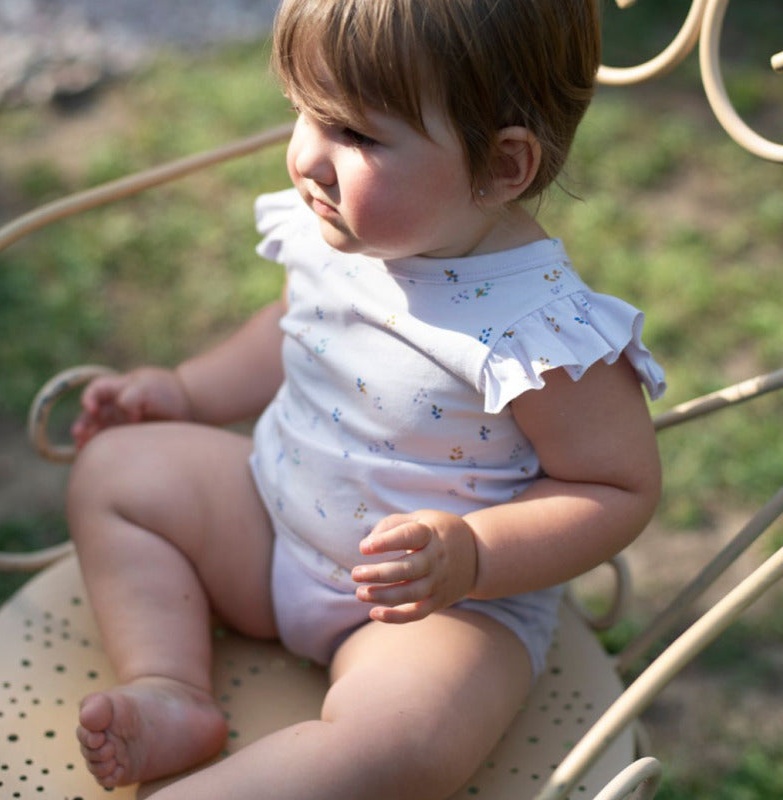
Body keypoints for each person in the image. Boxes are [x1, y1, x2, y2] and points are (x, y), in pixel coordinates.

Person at [68, 0, 665, 797]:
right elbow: (295, 325)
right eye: (305, 113)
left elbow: (616, 488)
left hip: (433, 613)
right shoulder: (341, 227)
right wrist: (184, 390)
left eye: (355, 135)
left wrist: (475, 555)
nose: (308, 157)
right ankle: (169, 686)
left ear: (502, 166)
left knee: (404, 745)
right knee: (116, 475)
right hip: (272, 522)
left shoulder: (535, 328)